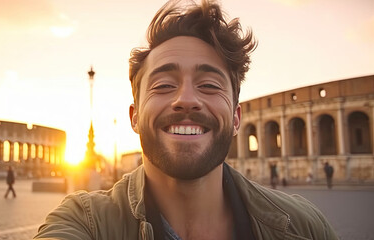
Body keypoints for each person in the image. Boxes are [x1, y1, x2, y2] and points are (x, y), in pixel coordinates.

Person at [35, 1, 338, 239]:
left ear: (235, 118)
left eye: (209, 85)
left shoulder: (305, 228)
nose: (186, 99)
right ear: (135, 116)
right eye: (164, 85)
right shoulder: (83, 222)